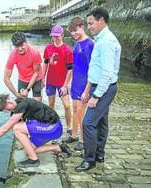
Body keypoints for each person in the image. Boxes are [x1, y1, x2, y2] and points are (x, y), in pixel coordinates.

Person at [75, 7, 121, 172]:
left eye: (91, 23)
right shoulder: (101, 39)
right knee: (101, 122)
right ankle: (99, 154)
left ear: (101, 20)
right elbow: (95, 69)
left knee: (88, 123)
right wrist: (88, 89)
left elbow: (107, 74)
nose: (89, 27)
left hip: (104, 88)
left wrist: (95, 95)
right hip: (98, 86)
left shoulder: (107, 41)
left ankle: (90, 159)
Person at [0, 94, 72, 168]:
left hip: (53, 128)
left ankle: (34, 160)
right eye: (7, 103)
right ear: (4, 110)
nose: (10, 101)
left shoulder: (21, 104)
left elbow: (7, 128)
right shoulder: (15, 111)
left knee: (17, 128)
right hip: (47, 128)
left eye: (8, 99)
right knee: (28, 150)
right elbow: (8, 126)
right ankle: (59, 148)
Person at [66, 16, 94, 151]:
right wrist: (70, 82)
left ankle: (83, 140)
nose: (74, 33)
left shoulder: (90, 44)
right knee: (75, 110)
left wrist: (87, 90)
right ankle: (74, 135)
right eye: (71, 31)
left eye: (75, 30)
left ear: (82, 27)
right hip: (76, 83)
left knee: (81, 113)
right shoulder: (77, 44)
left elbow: (93, 69)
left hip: (84, 85)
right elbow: (74, 66)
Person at [42, 25, 73, 135]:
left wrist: (65, 85)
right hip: (50, 81)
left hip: (62, 83)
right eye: (53, 36)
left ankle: (69, 127)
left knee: (67, 105)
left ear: (62, 35)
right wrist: (42, 78)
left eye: (58, 36)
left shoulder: (67, 50)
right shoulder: (48, 48)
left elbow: (70, 70)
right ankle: (52, 124)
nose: (55, 38)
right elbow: (45, 64)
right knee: (51, 104)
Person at [4, 32, 43, 101]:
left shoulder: (35, 52)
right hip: (23, 78)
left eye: (22, 45)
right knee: (21, 102)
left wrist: (27, 89)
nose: (20, 49)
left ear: (26, 42)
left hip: (36, 78)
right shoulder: (13, 55)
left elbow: (36, 73)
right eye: (17, 46)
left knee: (37, 103)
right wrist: (16, 94)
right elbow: (6, 78)